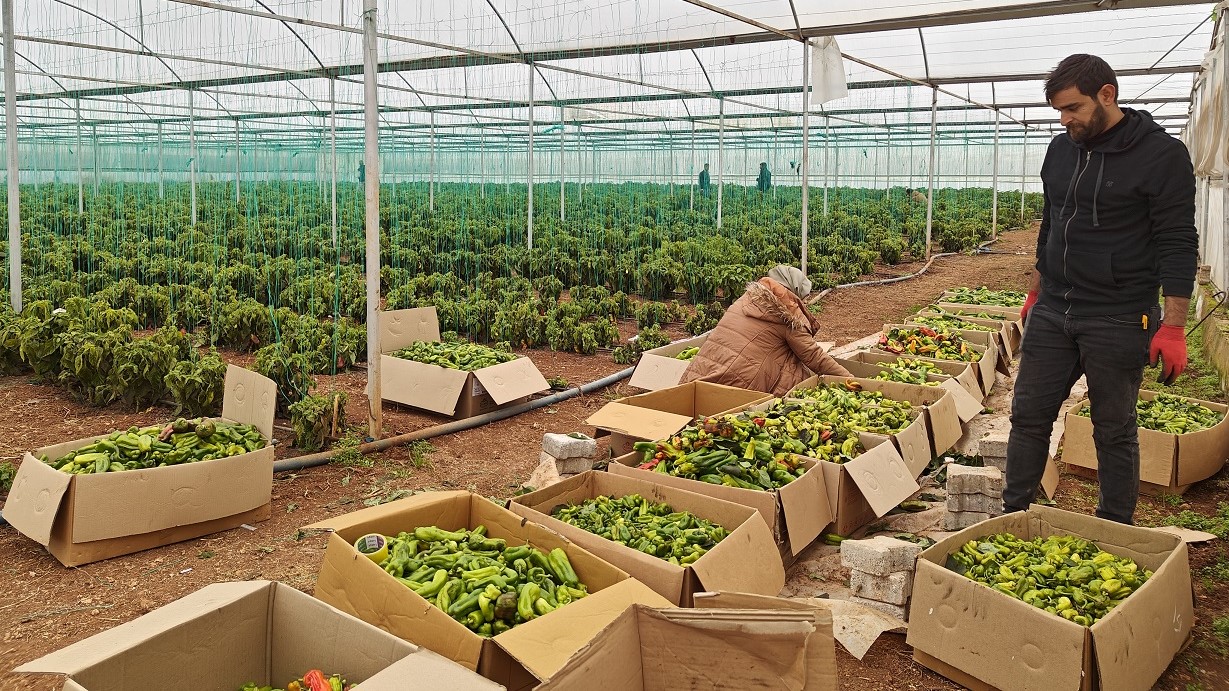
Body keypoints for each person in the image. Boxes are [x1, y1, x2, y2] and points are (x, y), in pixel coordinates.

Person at [1003, 54, 1197, 525]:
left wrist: (1173, 327)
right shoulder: (1061, 149)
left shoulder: (1161, 155)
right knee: (1028, 417)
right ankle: (1013, 515)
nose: (1064, 120)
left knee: (1113, 429)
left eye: (1073, 108)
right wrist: (1035, 291)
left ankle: (1114, 528)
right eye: (1058, 111)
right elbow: (1051, 223)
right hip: (1055, 308)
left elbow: (1177, 240)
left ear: (1107, 95)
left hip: (1120, 314)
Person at [681, 265, 851, 396]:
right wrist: (851, 379)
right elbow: (814, 356)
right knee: (797, 370)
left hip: (697, 381)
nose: (803, 301)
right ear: (794, 291)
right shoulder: (786, 315)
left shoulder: (747, 299)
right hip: (736, 389)